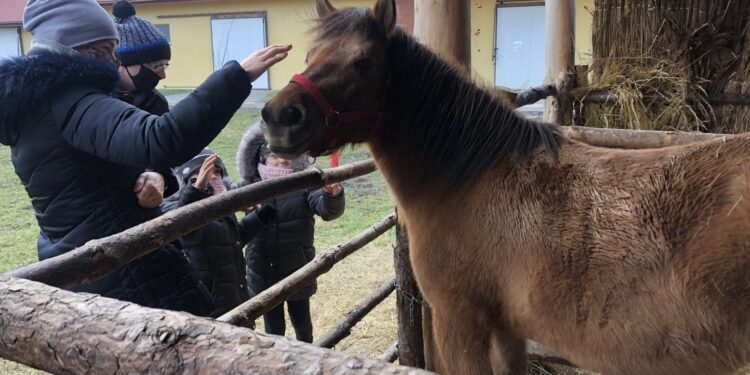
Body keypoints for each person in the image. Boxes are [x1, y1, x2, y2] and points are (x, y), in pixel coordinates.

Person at [0, 0, 290, 315]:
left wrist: (157, 176)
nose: (113, 61)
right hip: (120, 274)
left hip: (105, 263)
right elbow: (161, 139)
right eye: (104, 51)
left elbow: (114, 168)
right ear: (76, 49)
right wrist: (237, 77)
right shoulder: (69, 103)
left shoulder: (53, 103)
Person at [236, 123, 345, 342]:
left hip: (297, 269)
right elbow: (230, 225)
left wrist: (333, 196)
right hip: (262, 271)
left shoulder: (304, 185)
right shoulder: (247, 188)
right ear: (261, 158)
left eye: (287, 156)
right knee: (273, 329)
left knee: (302, 325)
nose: (283, 161)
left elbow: (326, 210)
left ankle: (308, 357)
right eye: (275, 156)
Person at [161, 149, 277, 317]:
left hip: (234, 292)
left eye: (217, 172)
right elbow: (188, 234)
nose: (212, 177)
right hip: (210, 301)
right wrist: (197, 191)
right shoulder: (174, 209)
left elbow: (231, 241)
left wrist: (258, 218)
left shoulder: (220, 202)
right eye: (202, 174)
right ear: (185, 181)